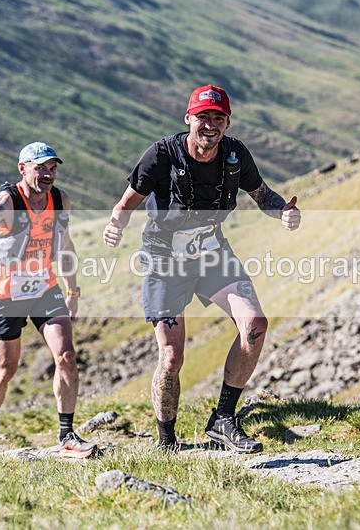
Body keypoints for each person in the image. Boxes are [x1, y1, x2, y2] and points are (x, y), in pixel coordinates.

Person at [103, 85, 301, 453]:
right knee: (172, 357)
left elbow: (263, 195)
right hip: (164, 259)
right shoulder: (163, 154)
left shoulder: (234, 154)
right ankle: (167, 441)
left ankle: (223, 418)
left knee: (255, 324)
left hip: (211, 251)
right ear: (188, 118)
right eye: (203, 117)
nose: (210, 125)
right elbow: (128, 201)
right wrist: (116, 223)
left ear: (227, 122)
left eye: (218, 118)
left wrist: (283, 212)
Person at [0, 142, 97, 458]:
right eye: (40, 168)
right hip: (6, 294)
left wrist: (72, 291)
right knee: (5, 370)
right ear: (23, 169)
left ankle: (67, 436)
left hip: (45, 289)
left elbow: (65, 246)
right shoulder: (6, 202)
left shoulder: (60, 200)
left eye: (52, 168)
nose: (48, 174)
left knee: (66, 356)